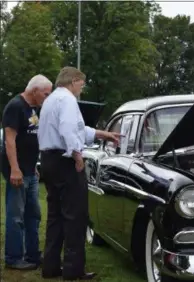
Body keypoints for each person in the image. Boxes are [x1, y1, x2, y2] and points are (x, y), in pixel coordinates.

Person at [38, 66, 121, 280]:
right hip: (65, 161)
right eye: (81, 85)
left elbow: (78, 129)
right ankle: (74, 270)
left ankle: (51, 266)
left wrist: (103, 134)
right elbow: (68, 129)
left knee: (55, 215)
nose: (81, 90)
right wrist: (77, 155)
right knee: (75, 215)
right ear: (74, 80)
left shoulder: (50, 100)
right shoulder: (67, 100)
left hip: (48, 159)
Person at [1, 75, 53, 270]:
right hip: (18, 172)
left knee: (34, 214)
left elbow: (31, 138)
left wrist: (33, 168)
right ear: (34, 91)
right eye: (46, 94)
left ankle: (33, 255)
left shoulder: (33, 108)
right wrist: (15, 169)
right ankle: (13, 258)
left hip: (29, 171)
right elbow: (9, 140)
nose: (47, 97)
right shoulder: (15, 106)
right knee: (16, 216)